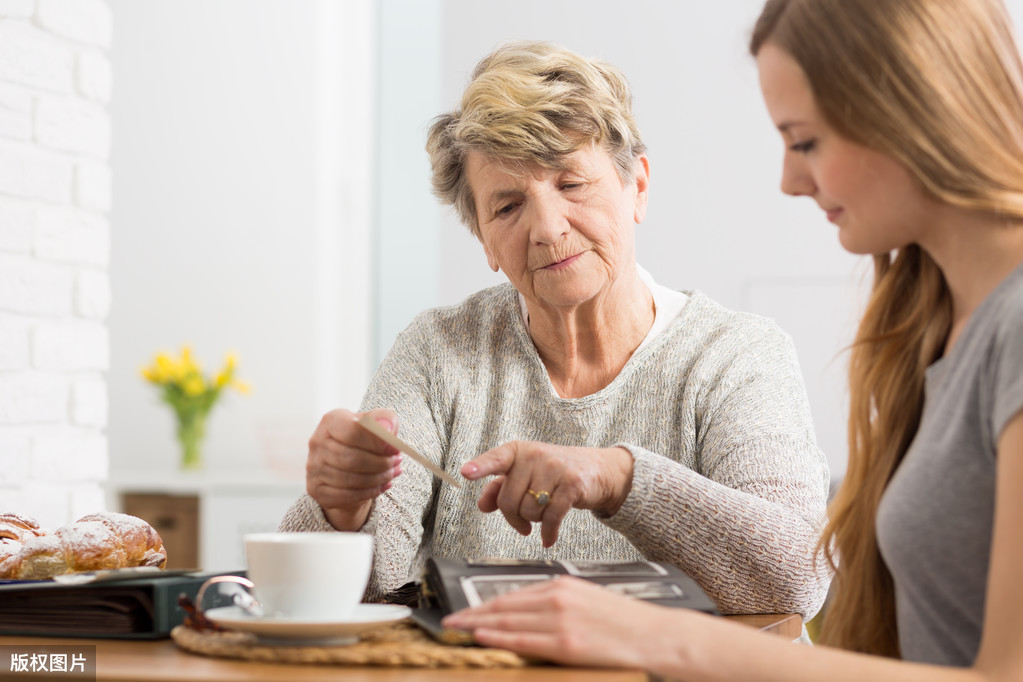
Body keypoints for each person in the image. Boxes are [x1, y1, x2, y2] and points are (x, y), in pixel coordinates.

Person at [441, 1, 1023, 678]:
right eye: (507, 205)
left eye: (805, 141)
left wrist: (652, 636)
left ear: (915, 112)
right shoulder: (931, 321)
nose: (788, 179)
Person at [279, 40, 831, 623]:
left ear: (637, 187)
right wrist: (342, 508)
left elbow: (792, 580)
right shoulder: (437, 351)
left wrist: (620, 477)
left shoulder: (738, 353)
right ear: (485, 241)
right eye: (509, 206)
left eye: (571, 184)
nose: (547, 227)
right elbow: (366, 593)